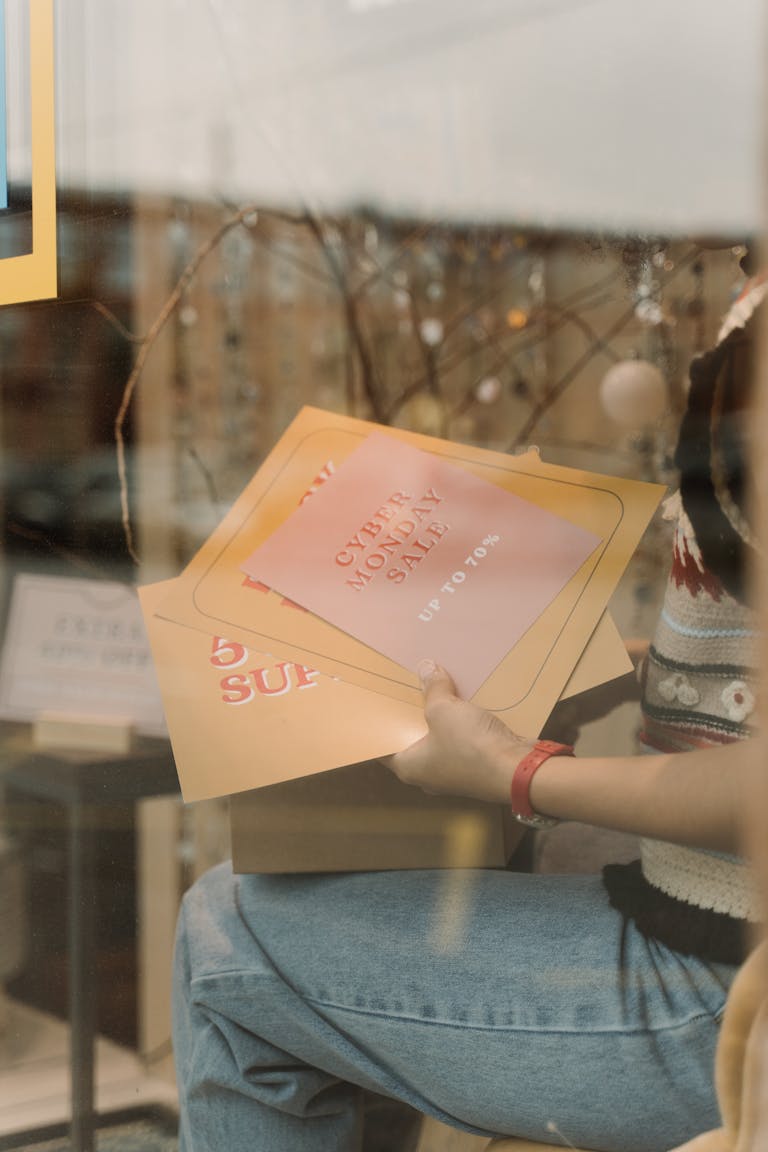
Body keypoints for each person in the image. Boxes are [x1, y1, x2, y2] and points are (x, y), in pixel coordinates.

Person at [171, 282, 763, 1152]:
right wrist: (582, 665)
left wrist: (517, 772)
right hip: (709, 908)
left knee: (228, 933)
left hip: (725, 983)